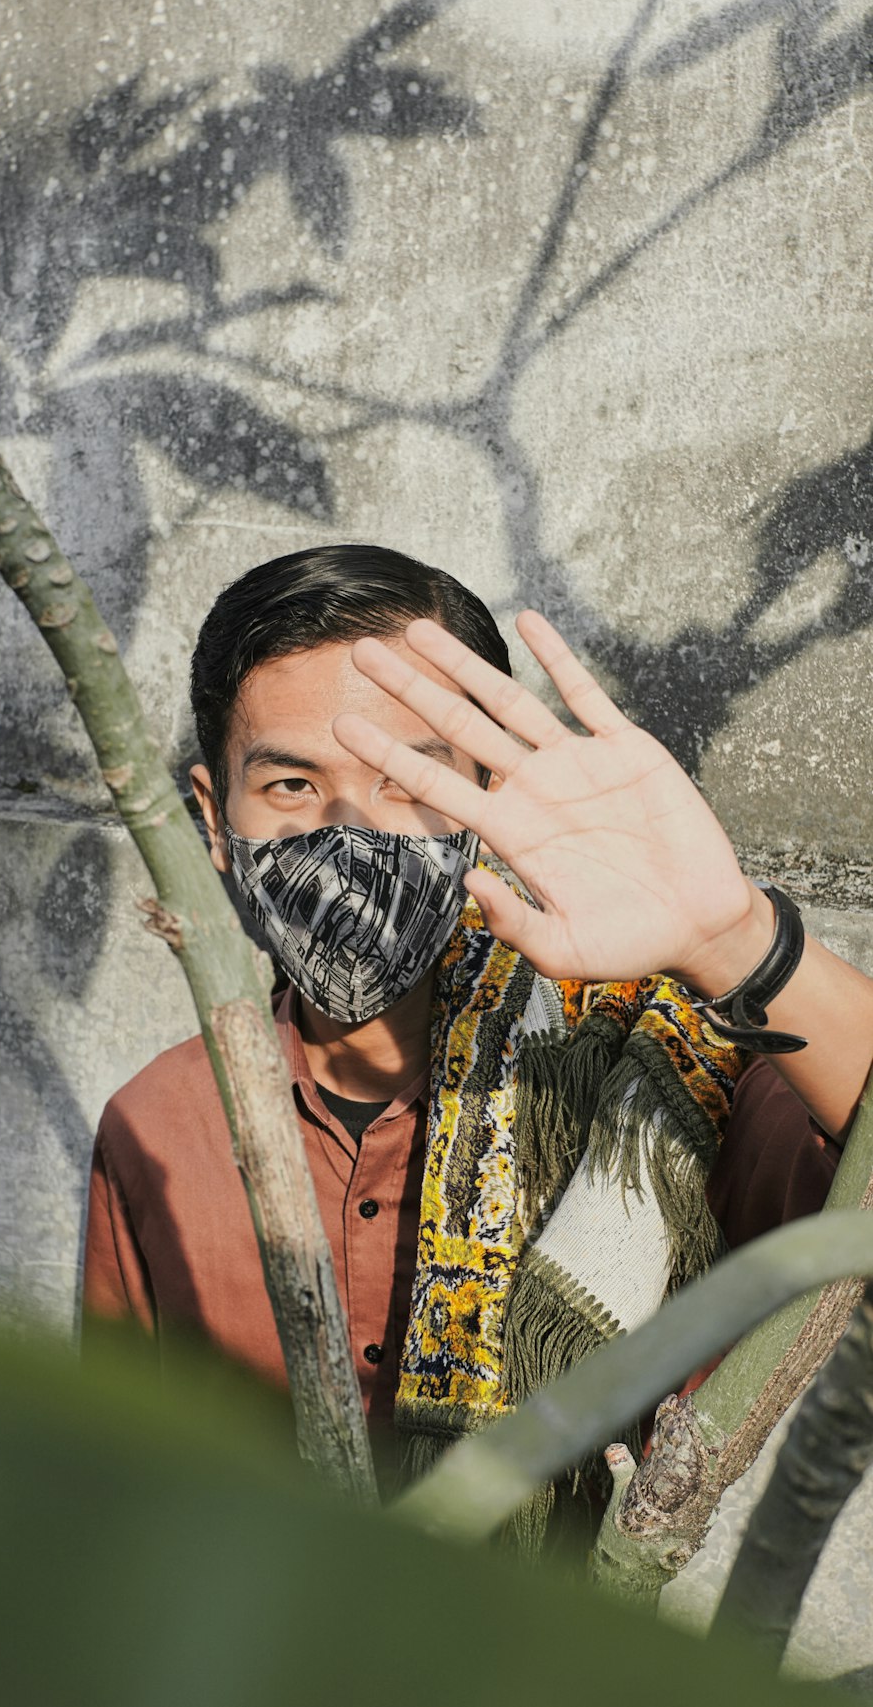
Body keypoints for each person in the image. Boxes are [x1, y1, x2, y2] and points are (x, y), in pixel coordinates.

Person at [83, 543, 873, 1521]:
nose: (352, 836)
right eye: (291, 787)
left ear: (488, 801)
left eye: (410, 781)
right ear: (215, 819)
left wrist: (735, 937)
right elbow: (113, 1493)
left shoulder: (657, 1083)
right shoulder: (155, 1124)